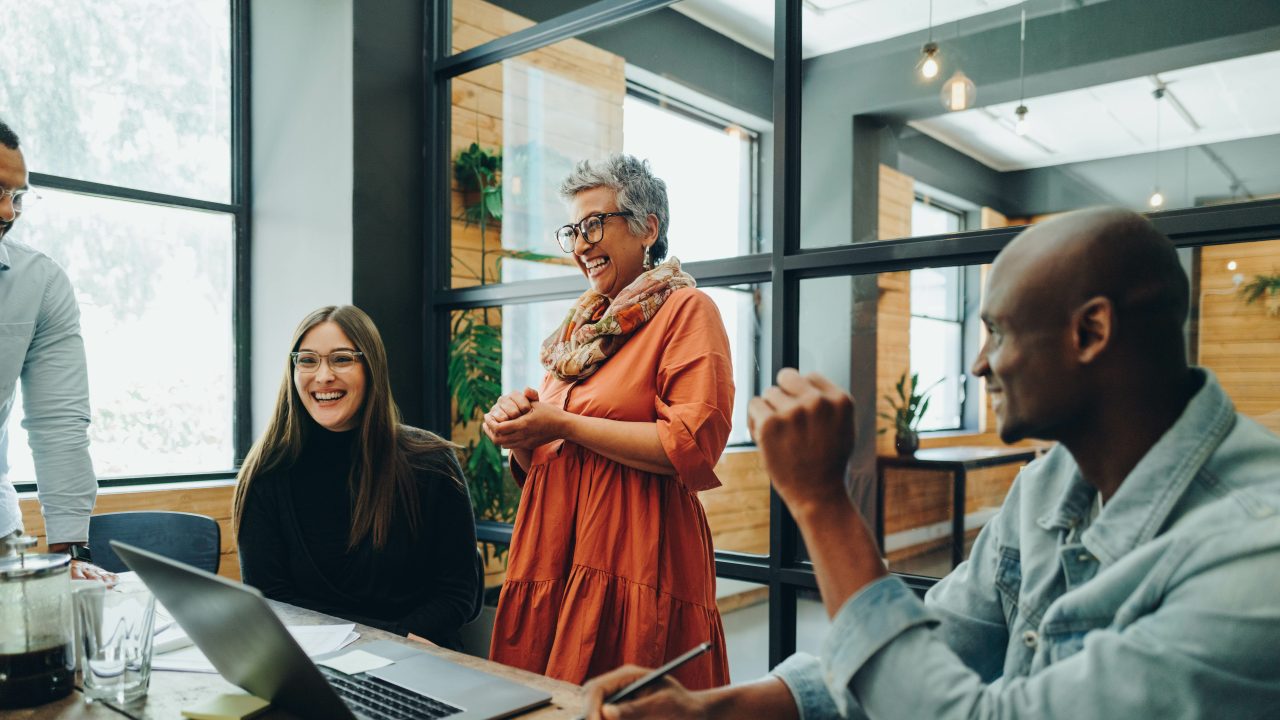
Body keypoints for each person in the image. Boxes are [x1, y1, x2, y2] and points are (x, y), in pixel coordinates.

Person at [582, 207, 1280, 718]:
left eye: (998, 332)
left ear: (1091, 332)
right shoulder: (1047, 487)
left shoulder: (1254, 557)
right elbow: (930, 646)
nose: (979, 364)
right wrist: (714, 710)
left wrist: (823, 505)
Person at [484, 155, 733, 689]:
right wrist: (520, 432)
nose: (580, 244)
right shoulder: (578, 332)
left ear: (648, 227)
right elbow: (547, 462)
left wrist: (563, 425)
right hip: (554, 553)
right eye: (573, 230)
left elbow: (689, 445)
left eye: (595, 223)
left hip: (636, 557)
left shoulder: (687, 311)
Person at [233, 305, 479, 648]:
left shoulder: (431, 462)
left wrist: (392, 643)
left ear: (371, 368)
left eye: (342, 359)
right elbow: (272, 599)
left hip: (417, 657)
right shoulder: (266, 472)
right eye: (308, 360)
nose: (323, 376)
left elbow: (458, 594)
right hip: (312, 663)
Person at [0, 118, 113, 582]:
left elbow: (59, 424)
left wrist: (71, 557)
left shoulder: (40, 282)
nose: (8, 213)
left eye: (17, 196)